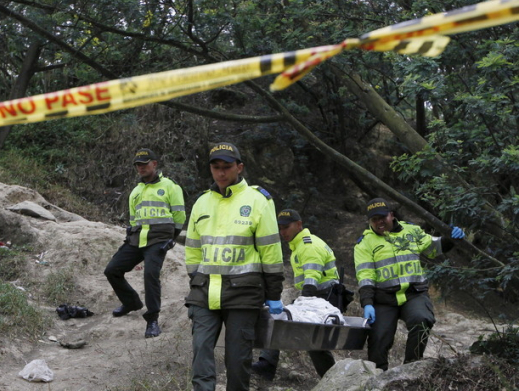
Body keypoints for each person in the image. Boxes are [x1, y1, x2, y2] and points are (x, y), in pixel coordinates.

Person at [184, 142, 285, 391]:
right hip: (205, 292)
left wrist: (274, 294)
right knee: (201, 354)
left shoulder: (258, 201)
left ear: (239, 167)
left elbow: (270, 251)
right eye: (216, 167)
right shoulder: (202, 203)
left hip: (243, 294)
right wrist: (195, 278)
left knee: (238, 360)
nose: (221, 173)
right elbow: (193, 249)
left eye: (227, 167)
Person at [354, 197, 466, 370]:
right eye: (374, 219)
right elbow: (365, 276)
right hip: (384, 299)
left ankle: (411, 368)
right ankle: (377, 379)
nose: (379, 222)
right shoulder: (364, 243)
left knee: (422, 320)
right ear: (369, 221)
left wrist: (451, 237)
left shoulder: (411, 231)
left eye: (382, 217)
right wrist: (367, 303)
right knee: (378, 339)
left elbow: (433, 248)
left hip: (414, 293)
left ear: (391, 215)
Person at [252, 209, 346, 380]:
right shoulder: (300, 245)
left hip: (322, 298)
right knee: (312, 342)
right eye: (280, 228)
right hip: (320, 297)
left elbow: (311, 279)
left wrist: (304, 303)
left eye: (286, 227)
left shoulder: (308, 245)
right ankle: (331, 379)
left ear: (299, 225)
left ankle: (268, 364)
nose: (282, 232)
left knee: (285, 324)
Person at [104, 148, 185, 338]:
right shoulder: (136, 191)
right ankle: (131, 302)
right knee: (112, 270)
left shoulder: (170, 186)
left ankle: (152, 320)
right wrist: (129, 238)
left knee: (150, 275)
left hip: (159, 239)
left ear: (154, 164)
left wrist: (172, 238)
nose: (141, 167)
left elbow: (179, 215)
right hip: (137, 238)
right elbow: (134, 220)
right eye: (138, 165)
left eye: (144, 163)